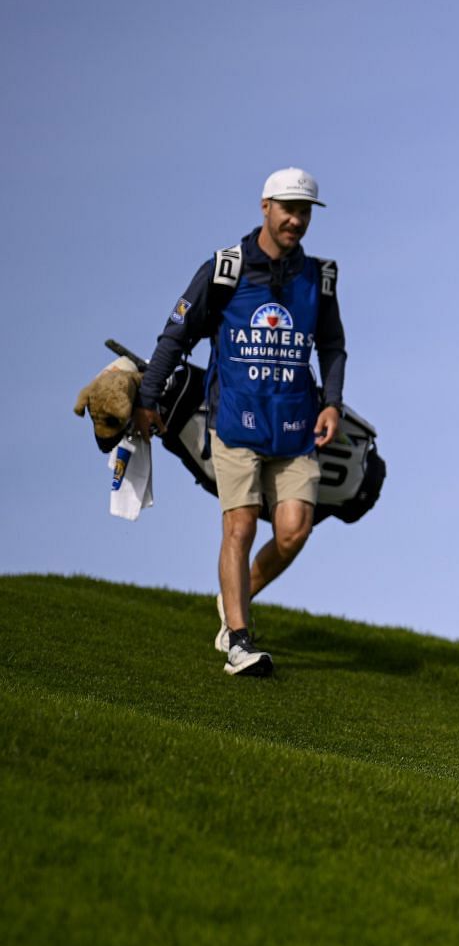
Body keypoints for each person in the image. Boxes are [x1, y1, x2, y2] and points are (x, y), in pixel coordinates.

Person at [131, 168, 347, 678]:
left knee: (294, 531)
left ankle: (235, 599)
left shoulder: (320, 277)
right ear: (265, 206)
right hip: (235, 423)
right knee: (241, 523)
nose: (296, 220)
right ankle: (240, 639)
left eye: (305, 212)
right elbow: (175, 336)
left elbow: (333, 345)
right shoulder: (225, 270)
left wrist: (333, 402)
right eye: (288, 209)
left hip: (296, 427)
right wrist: (147, 397)